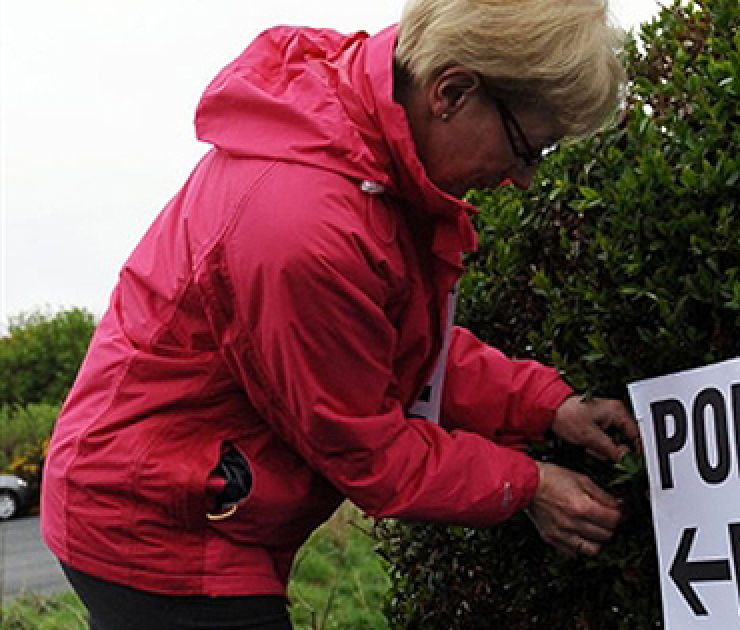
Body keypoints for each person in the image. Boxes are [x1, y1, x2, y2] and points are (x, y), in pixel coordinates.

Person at [41, 1, 637, 628]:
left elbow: (397, 350)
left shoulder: (365, 145)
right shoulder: (304, 226)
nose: (524, 180)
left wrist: (546, 405)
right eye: (527, 149)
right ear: (452, 92)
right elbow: (368, 449)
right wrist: (529, 485)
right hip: (153, 519)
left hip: (206, 491)